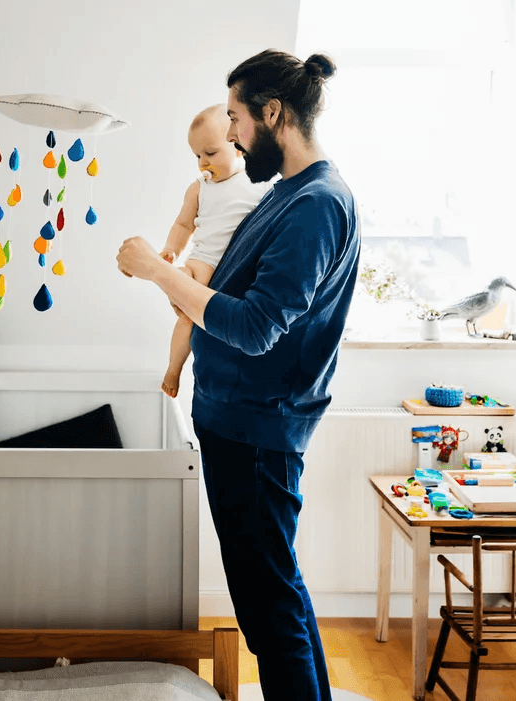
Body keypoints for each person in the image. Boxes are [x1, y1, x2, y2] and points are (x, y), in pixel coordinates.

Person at [117, 49, 360, 701]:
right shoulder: (285, 195)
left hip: (257, 431)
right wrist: (186, 285)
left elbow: (256, 327)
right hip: (235, 422)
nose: (226, 134)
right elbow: (234, 295)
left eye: (234, 116)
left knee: (268, 611)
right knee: (274, 593)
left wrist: (157, 270)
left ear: (271, 113)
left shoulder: (315, 205)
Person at [158, 104, 272, 398]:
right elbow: (183, 225)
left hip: (239, 265)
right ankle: (174, 367)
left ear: (238, 148)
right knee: (186, 316)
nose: (202, 163)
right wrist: (171, 250)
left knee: (228, 322)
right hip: (204, 260)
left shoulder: (258, 185)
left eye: (210, 153)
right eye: (197, 155)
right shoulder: (198, 189)